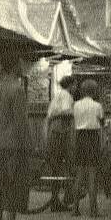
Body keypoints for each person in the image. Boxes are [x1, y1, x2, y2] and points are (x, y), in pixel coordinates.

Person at [0, 58, 33, 220]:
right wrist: (27, 142)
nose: (22, 67)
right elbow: (20, 121)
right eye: (20, 64)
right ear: (14, 66)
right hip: (14, 142)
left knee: (0, 181)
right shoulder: (17, 89)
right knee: (14, 182)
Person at [71, 78, 105, 217]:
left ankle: (75, 208)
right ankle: (93, 209)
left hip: (80, 137)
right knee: (92, 174)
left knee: (79, 174)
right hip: (92, 138)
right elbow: (101, 122)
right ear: (94, 91)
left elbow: (74, 121)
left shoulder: (76, 105)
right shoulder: (97, 106)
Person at [44, 75, 77, 211]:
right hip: (59, 130)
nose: (76, 88)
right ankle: (62, 198)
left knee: (57, 166)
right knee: (64, 163)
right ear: (70, 85)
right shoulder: (66, 96)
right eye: (75, 85)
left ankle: (57, 199)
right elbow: (66, 111)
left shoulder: (60, 95)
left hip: (56, 129)